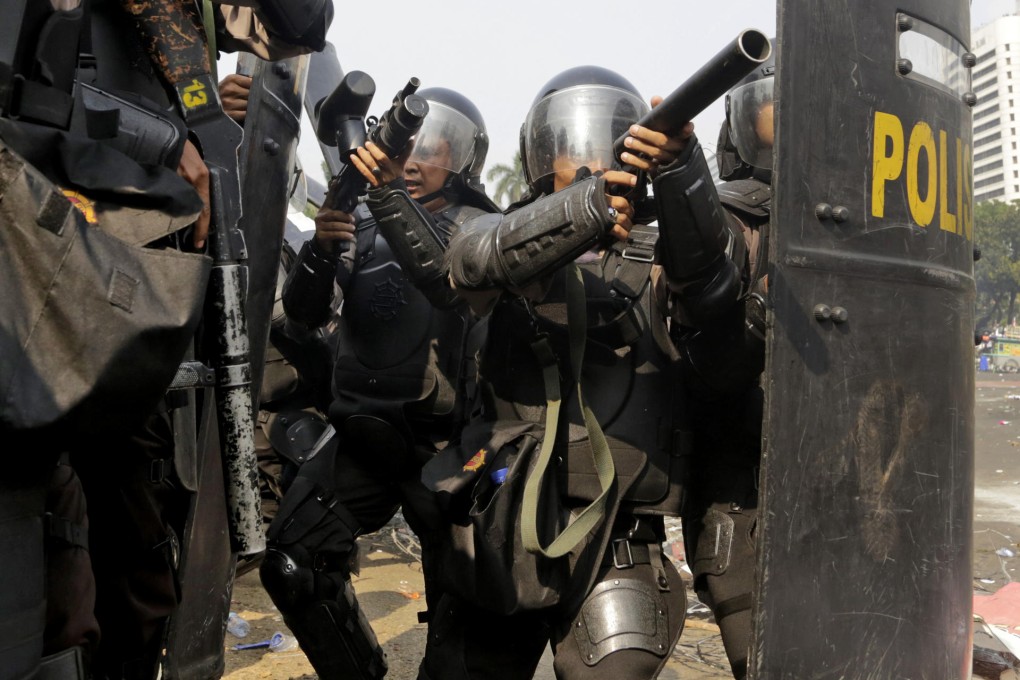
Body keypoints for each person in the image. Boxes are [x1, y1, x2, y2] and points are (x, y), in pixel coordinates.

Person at [0, 0, 332, 677]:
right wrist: (182, 129)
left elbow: (296, 26)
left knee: (114, 576)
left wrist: (202, 109)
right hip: (59, 240)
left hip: (121, 270)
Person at [409, 65, 754, 680]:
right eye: (565, 146)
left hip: (617, 538)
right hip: (504, 519)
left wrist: (679, 169)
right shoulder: (497, 229)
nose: (583, 157)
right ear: (539, 153)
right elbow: (471, 259)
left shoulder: (662, 249)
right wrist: (586, 209)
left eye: (599, 142)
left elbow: (713, 294)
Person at [258, 87, 501, 680]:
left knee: (462, 610)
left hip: (444, 450)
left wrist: (388, 197)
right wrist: (320, 249)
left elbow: (451, 277)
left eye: (435, 151)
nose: (415, 160)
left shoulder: (483, 228)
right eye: (410, 146)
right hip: (360, 435)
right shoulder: (362, 219)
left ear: (464, 161)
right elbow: (305, 314)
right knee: (294, 563)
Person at [679, 48, 774, 680]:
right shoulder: (724, 220)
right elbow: (712, 368)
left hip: (844, 485)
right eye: (771, 115)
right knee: (760, 656)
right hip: (739, 488)